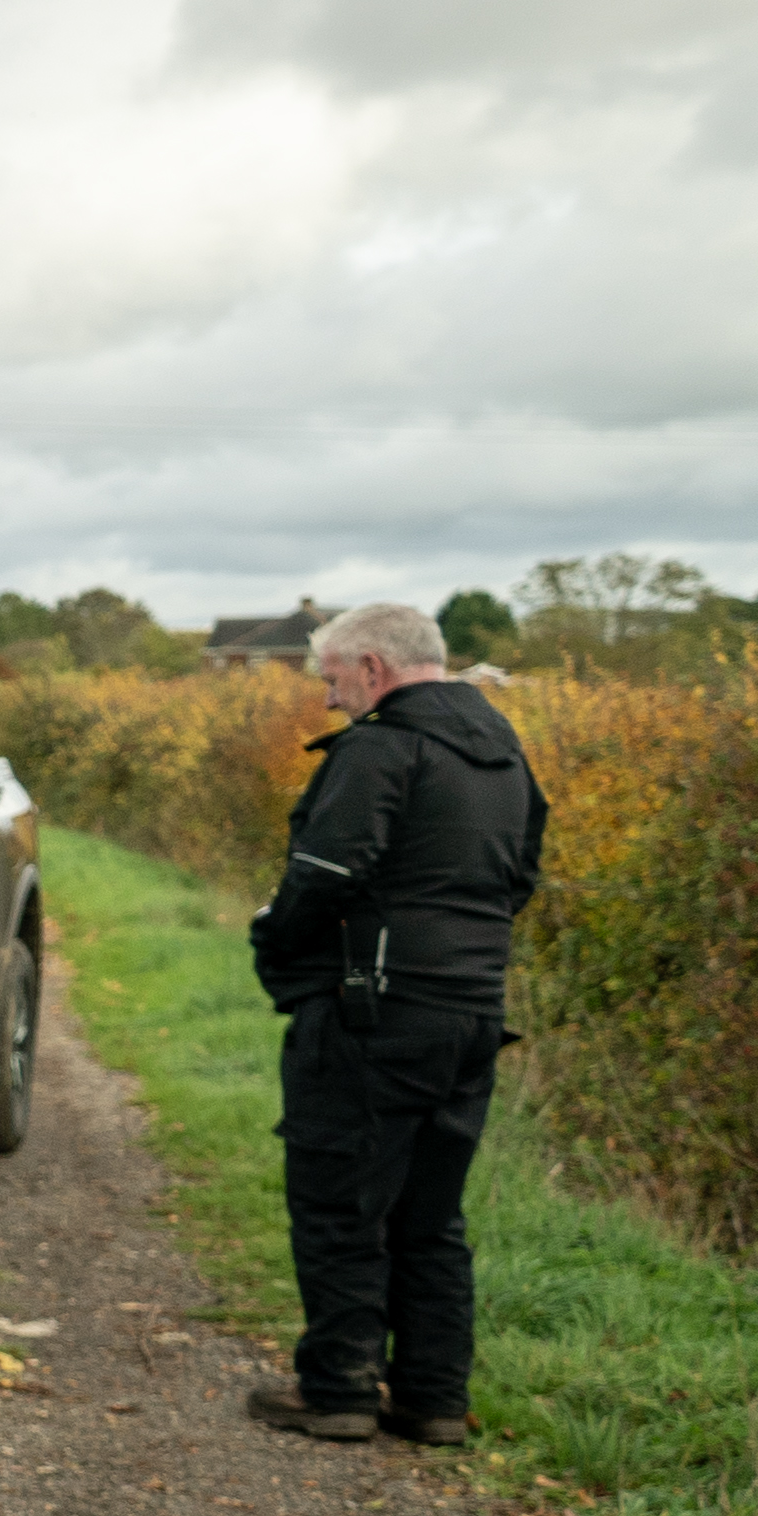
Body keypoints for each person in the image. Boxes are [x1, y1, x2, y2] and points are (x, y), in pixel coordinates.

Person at [243, 602, 546, 1447]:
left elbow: (327, 873)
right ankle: (432, 1397)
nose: (332, 699)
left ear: (373, 667)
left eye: (334, 679)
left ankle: (338, 1388)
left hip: (371, 1010)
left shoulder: (381, 750)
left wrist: (278, 947)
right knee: (430, 1213)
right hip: (472, 1012)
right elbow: (521, 876)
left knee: (341, 1197)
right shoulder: (503, 753)